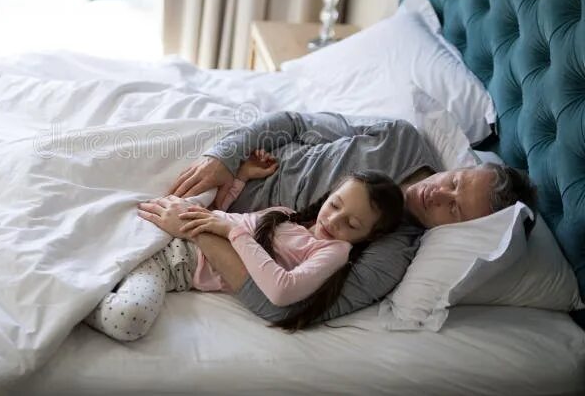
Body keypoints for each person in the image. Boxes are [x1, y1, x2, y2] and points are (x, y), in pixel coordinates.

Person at [159, 111, 537, 324]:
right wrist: (225, 157)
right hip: (229, 164)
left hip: (204, 225)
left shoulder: (391, 254)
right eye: (454, 181)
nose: (437, 193)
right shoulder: (401, 138)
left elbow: (280, 306)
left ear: (462, 229)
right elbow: (293, 124)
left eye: (453, 208)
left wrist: (197, 228)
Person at [85, 149, 403, 340]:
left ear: (369, 237)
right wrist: (242, 177)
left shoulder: (334, 252)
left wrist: (233, 233)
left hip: (174, 264)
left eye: (352, 224)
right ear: (330, 195)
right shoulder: (287, 215)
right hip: (168, 230)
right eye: (335, 206)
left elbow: (282, 290)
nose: (333, 222)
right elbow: (226, 215)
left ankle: (78, 305)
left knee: (130, 319)